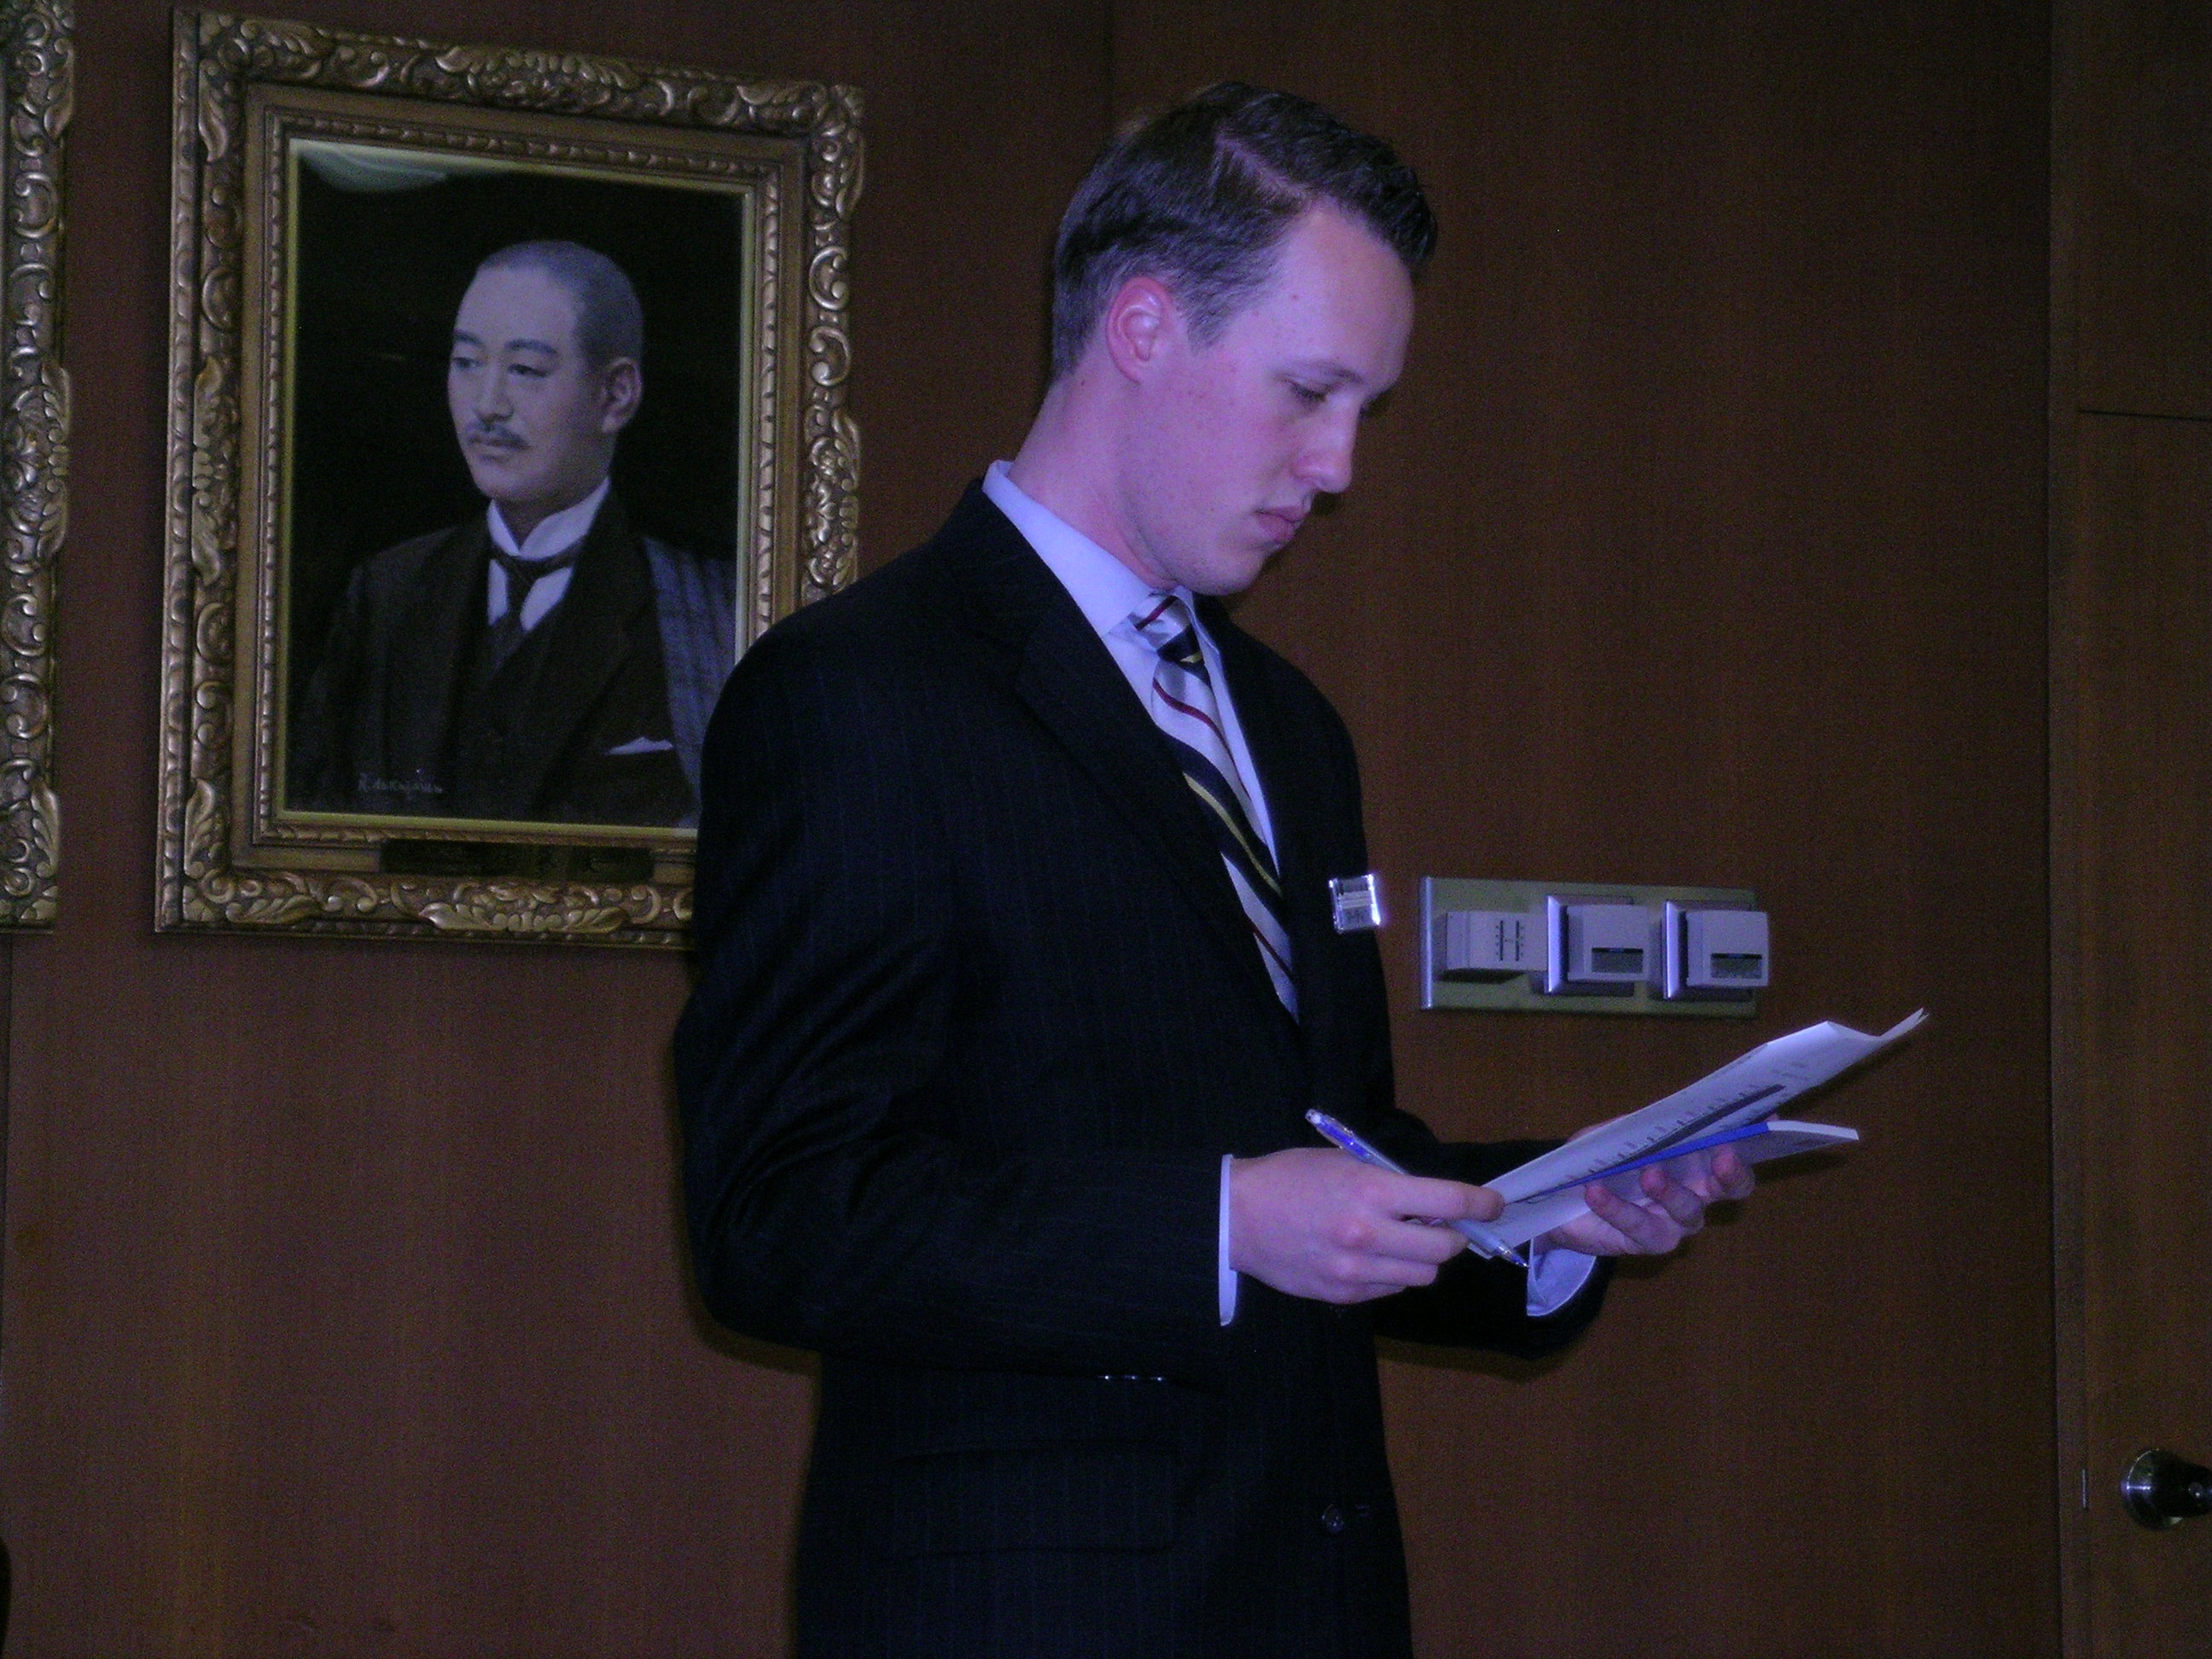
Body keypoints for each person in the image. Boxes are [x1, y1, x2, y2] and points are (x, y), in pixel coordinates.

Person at [676, 84, 1755, 1658]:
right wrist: (1221, 1223)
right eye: (1309, 391)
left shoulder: (1291, 726)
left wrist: (1539, 1214)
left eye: (1365, 408)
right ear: (1142, 325)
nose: (1340, 465)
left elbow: (1328, 1151)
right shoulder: (859, 692)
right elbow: (780, 1215)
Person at [288, 239, 736, 828]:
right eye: (467, 362)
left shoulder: (705, 609)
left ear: (616, 395)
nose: (487, 406)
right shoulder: (385, 592)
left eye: (525, 370)